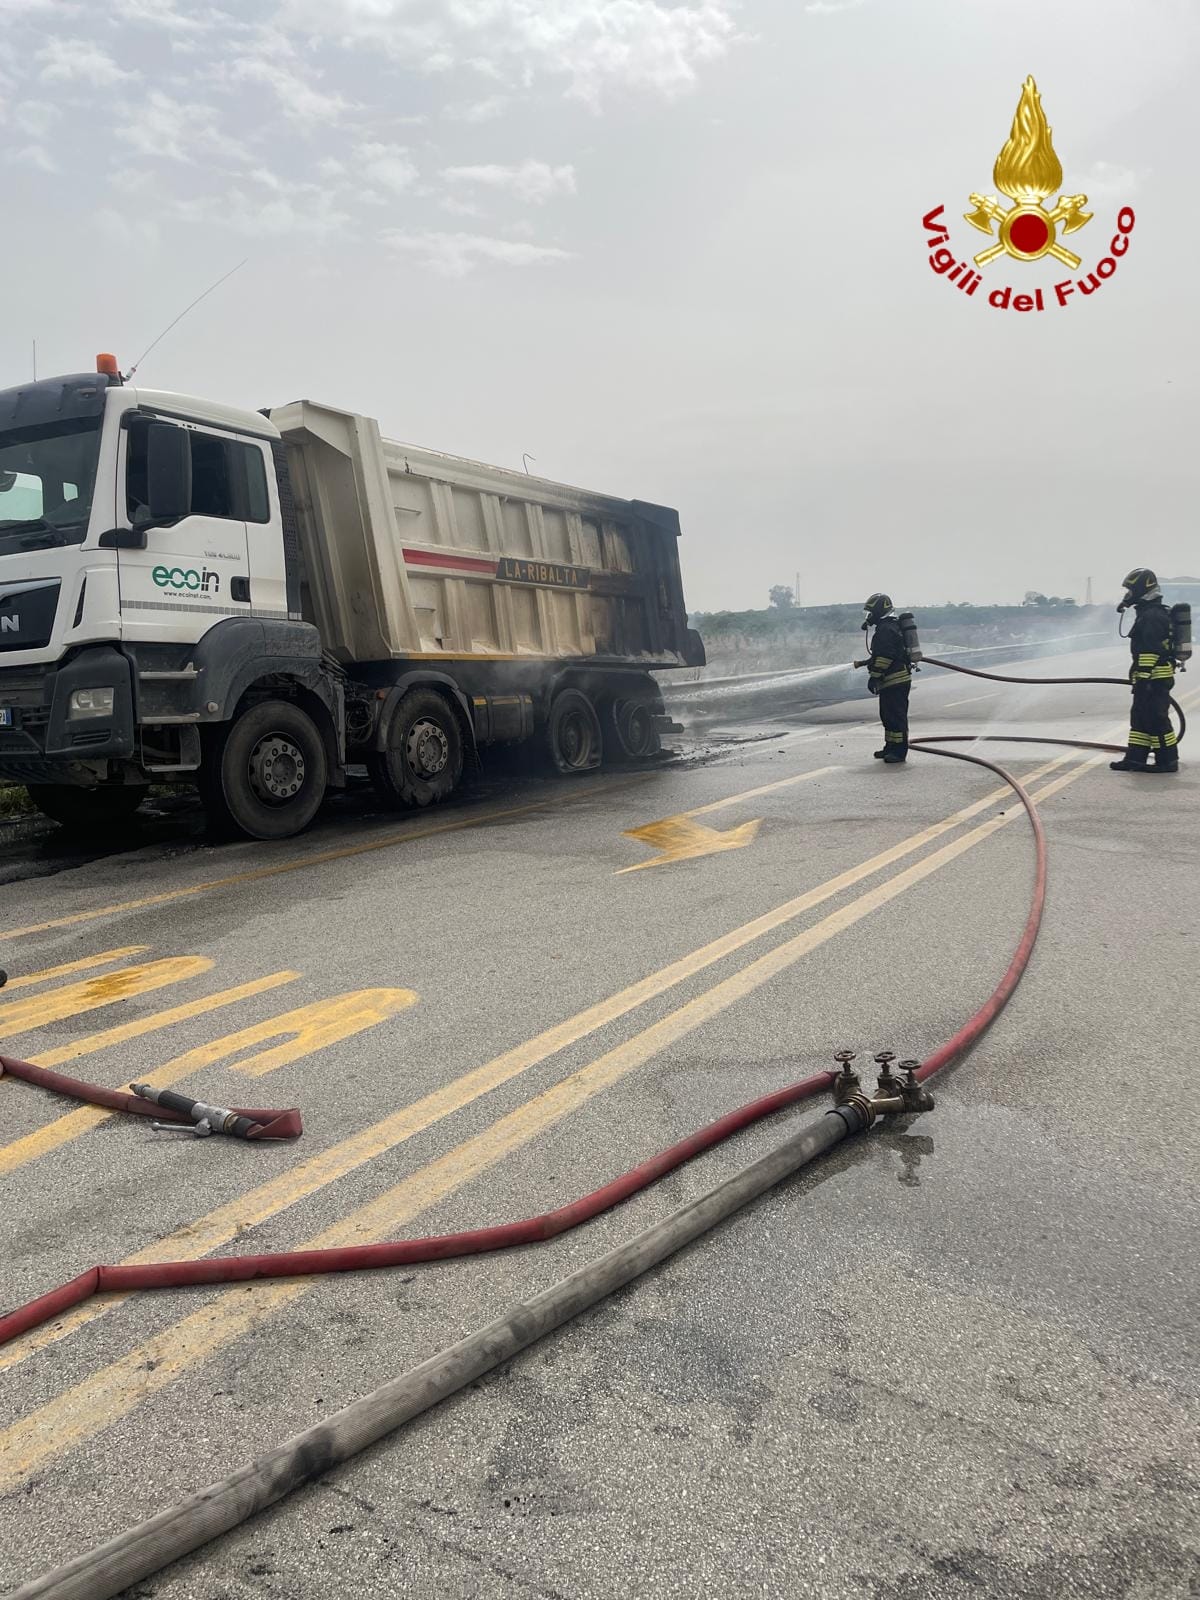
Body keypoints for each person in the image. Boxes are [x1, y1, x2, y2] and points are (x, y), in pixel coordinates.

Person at [1110, 568, 1179, 774]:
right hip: (1147, 678)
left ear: (1141, 589)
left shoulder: (1152, 616)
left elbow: (1150, 650)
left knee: (1157, 719)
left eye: (1131, 590)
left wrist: (1144, 677)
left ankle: (1167, 761)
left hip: (1154, 678)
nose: (1128, 595)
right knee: (1140, 717)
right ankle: (1135, 758)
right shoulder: (1147, 613)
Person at [854, 592, 912, 762]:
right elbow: (881, 654)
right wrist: (867, 663)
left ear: (879, 611)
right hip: (891, 681)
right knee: (887, 716)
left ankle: (899, 752)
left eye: (871, 612)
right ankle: (890, 747)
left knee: (896, 716)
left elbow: (885, 657)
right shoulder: (887, 627)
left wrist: (874, 677)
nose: (869, 616)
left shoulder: (886, 629)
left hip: (896, 680)